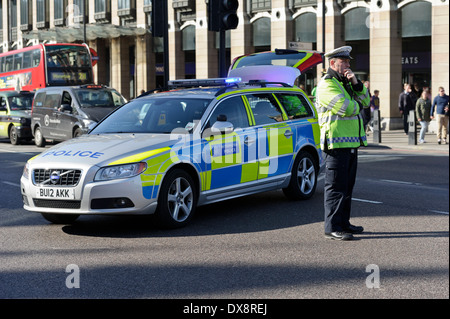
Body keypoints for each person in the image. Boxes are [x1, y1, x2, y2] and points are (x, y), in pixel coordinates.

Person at [316, 46, 370, 241]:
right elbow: (347, 108)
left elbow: (366, 100)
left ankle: (344, 223)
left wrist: (356, 83)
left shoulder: (345, 83)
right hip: (335, 145)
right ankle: (332, 227)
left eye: (348, 61)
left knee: (347, 187)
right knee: (335, 188)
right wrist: (358, 105)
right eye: (344, 61)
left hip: (349, 144)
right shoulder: (326, 84)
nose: (348, 65)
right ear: (333, 63)